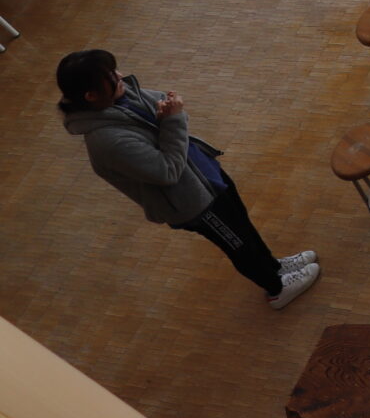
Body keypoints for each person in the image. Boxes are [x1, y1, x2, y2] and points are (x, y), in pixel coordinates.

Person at [57, 49, 320, 309]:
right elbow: (166, 170)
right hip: (193, 202)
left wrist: (170, 113)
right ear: (91, 96)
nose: (120, 75)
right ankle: (276, 288)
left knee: (241, 225)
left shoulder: (120, 97)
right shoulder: (107, 141)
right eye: (112, 76)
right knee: (237, 243)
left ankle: (273, 265)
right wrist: (172, 120)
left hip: (204, 175)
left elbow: (164, 105)